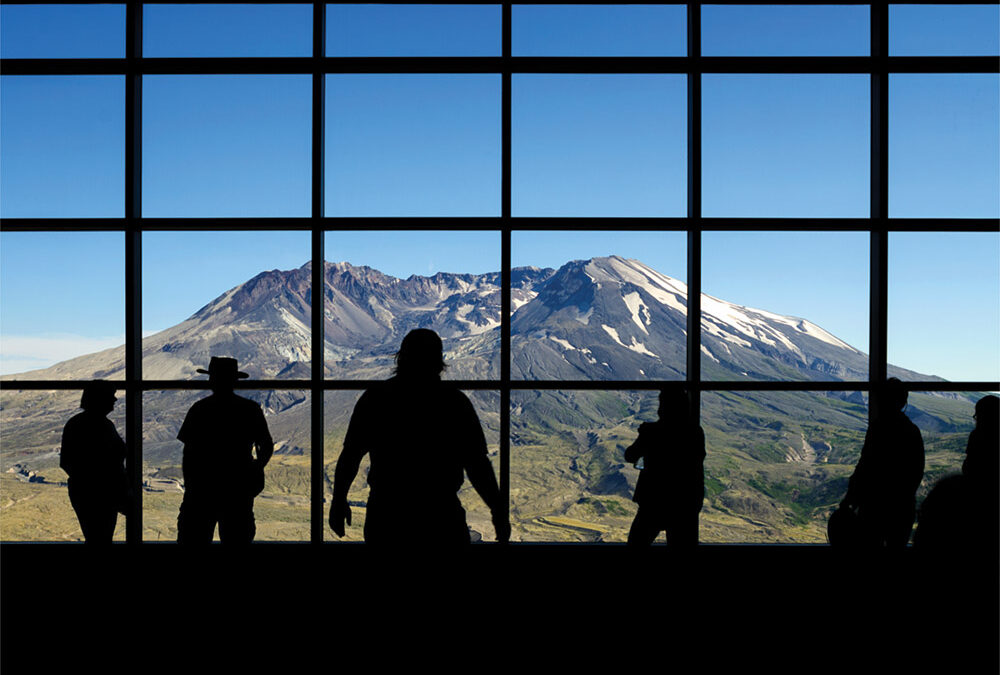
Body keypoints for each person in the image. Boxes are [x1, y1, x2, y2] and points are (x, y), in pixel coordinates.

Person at [329, 329, 510, 545]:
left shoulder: (375, 399)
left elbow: (351, 456)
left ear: (401, 358)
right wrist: (498, 511)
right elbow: (477, 465)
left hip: (386, 516)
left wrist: (339, 500)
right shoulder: (454, 402)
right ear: (439, 361)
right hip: (441, 516)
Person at [176, 357, 273, 544]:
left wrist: (190, 485)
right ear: (235, 380)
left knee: (193, 541)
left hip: (202, 491)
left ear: (211, 379)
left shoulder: (199, 409)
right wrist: (256, 469)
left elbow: (188, 453)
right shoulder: (250, 410)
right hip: (237, 491)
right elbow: (266, 445)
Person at [840, 378, 925, 548]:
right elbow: (916, 471)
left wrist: (851, 497)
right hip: (901, 507)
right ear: (903, 401)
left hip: (874, 507)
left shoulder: (878, 428)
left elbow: (865, 465)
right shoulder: (911, 430)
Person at [624, 388, 705, 546]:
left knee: (637, 543)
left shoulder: (652, 432)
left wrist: (644, 436)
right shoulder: (695, 432)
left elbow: (630, 455)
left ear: (663, 407)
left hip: (654, 500)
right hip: (684, 501)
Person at [60, 380, 130, 543]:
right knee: (100, 538)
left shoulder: (80, 423)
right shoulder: (98, 425)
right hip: (100, 494)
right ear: (100, 398)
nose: (115, 400)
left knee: (97, 538)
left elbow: (67, 462)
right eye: (111, 396)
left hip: (92, 492)